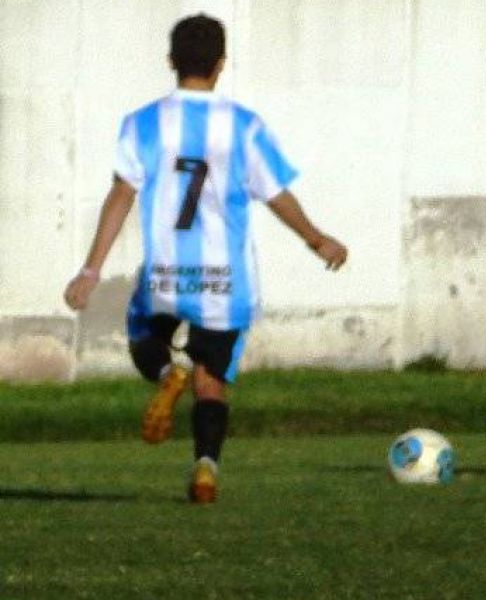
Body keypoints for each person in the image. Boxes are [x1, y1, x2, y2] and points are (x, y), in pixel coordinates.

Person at [63, 14, 348, 503]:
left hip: (166, 277)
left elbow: (120, 195)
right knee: (211, 379)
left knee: (141, 336)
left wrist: (91, 269)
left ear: (171, 61)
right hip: (226, 282)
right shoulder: (244, 126)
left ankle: (164, 374)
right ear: (221, 64)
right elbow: (276, 194)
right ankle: (205, 468)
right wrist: (315, 238)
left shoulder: (143, 123)